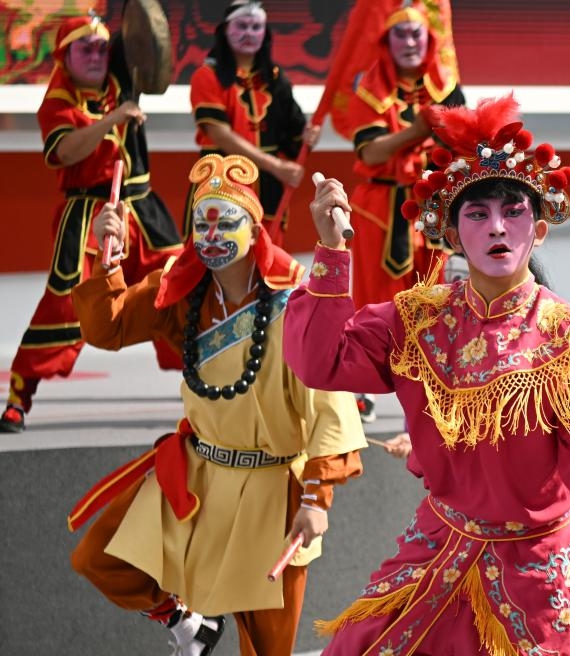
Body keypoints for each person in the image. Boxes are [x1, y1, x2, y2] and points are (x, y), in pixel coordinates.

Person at [284, 95, 570, 656]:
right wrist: (331, 251)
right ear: (453, 235)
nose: (498, 227)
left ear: (540, 230)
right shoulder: (416, 320)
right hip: (439, 544)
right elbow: (320, 362)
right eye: (477, 214)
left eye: (514, 211)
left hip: (534, 571)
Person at [67, 153, 368, 656]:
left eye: (225, 221)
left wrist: (317, 498)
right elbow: (108, 327)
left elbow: (327, 403)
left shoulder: (293, 300)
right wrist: (107, 256)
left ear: (254, 229)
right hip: (198, 476)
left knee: (268, 648)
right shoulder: (180, 292)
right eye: (200, 223)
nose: (211, 234)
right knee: (99, 558)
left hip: (272, 494)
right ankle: (188, 624)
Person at [1, 13, 184, 433]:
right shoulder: (57, 102)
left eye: (102, 48)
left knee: (178, 288)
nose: (98, 56)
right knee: (67, 303)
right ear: (65, 56)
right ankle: (18, 396)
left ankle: (205, 379)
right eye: (86, 48)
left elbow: (142, 32)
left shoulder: (119, 73)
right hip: (89, 215)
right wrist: (113, 118)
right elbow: (66, 152)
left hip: (142, 208)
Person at [341, 1, 465, 423]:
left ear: (429, 39)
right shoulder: (369, 85)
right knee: (374, 301)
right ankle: (363, 388)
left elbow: (465, 143)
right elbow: (369, 150)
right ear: (386, 40)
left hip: (433, 206)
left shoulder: (446, 85)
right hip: (382, 206)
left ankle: (436, 385)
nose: (410, 42)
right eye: (401, 33)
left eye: (417, 34)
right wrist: (416, 132)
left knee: (437, 299)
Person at [184, 0, 319, 245]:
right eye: (242, 26)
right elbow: (220, 135)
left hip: (267, 189)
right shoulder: (206, 75)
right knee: (214, 252)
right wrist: (275, 166)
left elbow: (294, 136)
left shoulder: (276, 79)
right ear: (225, 30)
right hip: (221, 180)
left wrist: (309, 137)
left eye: (256, 27)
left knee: (267, 263)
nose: (249, 33)